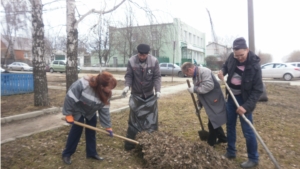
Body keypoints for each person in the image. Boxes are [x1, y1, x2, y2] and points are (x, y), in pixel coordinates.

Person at [218, 37, 263, 168]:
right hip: (231, 98)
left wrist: (246, 106)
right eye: (236, 55)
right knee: (230, 126)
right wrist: (223, 72)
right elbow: (226, 66)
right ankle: (231, 152)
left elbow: (258, 90)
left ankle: (253, 159)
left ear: (247, 50)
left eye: (241, 55)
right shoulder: (233, 57)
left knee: (248, 130)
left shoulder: (254, 66)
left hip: (245, 100)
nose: (239, 58)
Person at [61, 72, 117, 165]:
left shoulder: (107, 94)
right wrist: (68, 114)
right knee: (76, 130)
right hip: (78, 109)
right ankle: (67, 154)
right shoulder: (83, 84)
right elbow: (70, 97)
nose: (111, 90)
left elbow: (105, 110)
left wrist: (108, 126)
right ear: (102, 86)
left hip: (90, 111)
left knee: (91, 131)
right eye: (110, 87)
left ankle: (91, 153)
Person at [122, 44, 161, 151]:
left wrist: (158, 90)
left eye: (144, 55)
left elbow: (157, 77)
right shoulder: (131, 61)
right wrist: (127, 86)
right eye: (140, 55)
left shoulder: (154, 61)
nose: (142, 57)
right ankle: (132, 144)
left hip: (149, 95)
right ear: (138, 53)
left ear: (148, 54)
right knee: (134, 120)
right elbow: (129, 75)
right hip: (136, 95)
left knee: (150, 120)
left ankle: (150, 143)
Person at [181, 62, 227, 147]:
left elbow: (209, 86)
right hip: (207, 101)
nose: (186, 75)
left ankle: (210, 143)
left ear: (190, 69)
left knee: (212, 122)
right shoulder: (195, 76)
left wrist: (194, 89)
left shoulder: (205, 71)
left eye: (186, 73)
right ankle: (223, 138)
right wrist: (199, 105)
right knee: (213, 120)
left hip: (215, 100)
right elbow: (200, 92)